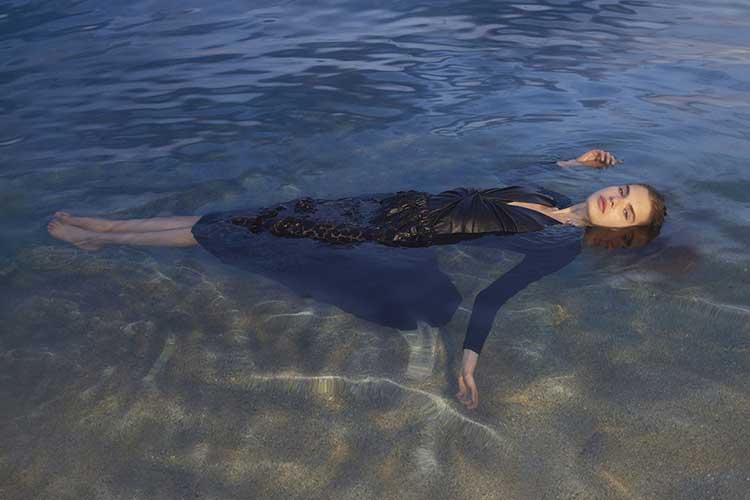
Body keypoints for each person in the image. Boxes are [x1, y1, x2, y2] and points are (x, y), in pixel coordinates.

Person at [48, 149, 667, 409]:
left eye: (627, 210)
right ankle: (108, 230)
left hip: (392, 235)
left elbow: (496, 293)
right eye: (621, 190)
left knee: (250, 233)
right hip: (390, 204)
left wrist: (470, 360)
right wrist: (571, 160)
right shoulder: (550, 192)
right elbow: (500, 175)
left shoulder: (558, 246)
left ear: (622, 233)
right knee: (259, 218)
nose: (615, 200)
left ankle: (107, 234)